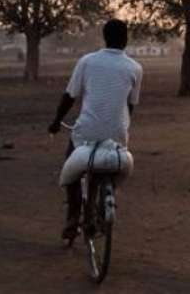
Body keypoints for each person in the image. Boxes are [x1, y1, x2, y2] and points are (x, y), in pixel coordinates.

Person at [47, 19, 143, 242]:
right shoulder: (135, 68)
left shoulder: (87, 62)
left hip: (86, 133)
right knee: (110, 169)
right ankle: (102, 205)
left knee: (71, 171)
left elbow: (70, 96)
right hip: (118, 134)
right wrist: (121, 129)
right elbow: (130, 106)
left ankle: (73, 218)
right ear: (126, 39)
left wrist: (56, 121)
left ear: (104, 37)